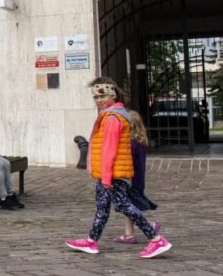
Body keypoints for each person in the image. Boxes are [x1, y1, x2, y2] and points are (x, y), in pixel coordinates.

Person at [66, 78, 171, 258]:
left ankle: (156, 239)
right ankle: (92, 241)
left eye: (103, 97)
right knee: (102, 207)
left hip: (114, 174)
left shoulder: (113, 117)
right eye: (96, 98)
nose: (99, 101)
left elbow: (109, 149)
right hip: (109, 173)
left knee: (124, 205)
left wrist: (106, 177)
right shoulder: (111, 115)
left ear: (112, 96)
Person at [114, 109, 159, 244]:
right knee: (129, 208)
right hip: (138, 180)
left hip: (130, 180)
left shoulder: (130, 144)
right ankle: (129, 234)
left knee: (128, 207)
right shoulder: (140, 142)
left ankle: (149, 226)